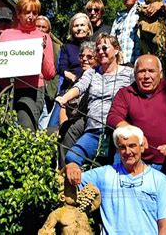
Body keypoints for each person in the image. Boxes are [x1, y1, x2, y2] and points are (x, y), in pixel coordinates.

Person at [64, 125, 166, 234]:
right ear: (118, 150)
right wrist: (71, 166)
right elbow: (69, 180)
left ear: (142, 147)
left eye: (132, 145)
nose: (128, 152)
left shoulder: (160, 181)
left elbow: (165, 225)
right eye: (122, 147)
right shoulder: (104, 174)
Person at [106, 54, 166, 186]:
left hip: (165, 164)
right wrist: (135, 134)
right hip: (131, 161)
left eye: (151, 71)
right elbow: (113, 117)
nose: (146, 76)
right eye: (141, 71)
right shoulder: (125, 93)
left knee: (161, 204)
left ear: (160, 74)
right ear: (135, 74)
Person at [56, 33, 134, 166]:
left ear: (116, 50)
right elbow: (80, 87)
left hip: (118, 133)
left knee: (117, 169)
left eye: (105, 48)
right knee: (72, 158)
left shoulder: (129, 73)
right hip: (93, 130)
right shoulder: (92, 72)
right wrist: (65, 98)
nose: (101, 52)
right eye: (98, 49)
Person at [0, 0, 55, 130]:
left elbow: (50, 74)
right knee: (2, 128)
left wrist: (41, 56)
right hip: (7, 89)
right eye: (27, 12)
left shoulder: (44, 37)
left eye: (35, 13)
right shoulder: (6, 35)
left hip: (32, 89)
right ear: (18, 14)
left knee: (27, 129)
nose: (31, 16)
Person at [111, 0, 166, 65]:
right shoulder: (118, 18)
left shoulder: (147, 8)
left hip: (141, 66)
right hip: (121, 68)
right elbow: (112, 42)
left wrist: (160, 5)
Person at [58, 41, 97, 167]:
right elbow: (65, 107)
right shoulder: (77, 79)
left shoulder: (97, 76)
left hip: (89, 121)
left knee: (70, 130)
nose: (84, 59)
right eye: (82, 56)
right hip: (72, 120)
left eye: (89, 57)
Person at [58, 13, 93, 94]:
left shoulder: (94, 45)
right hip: (70, 86)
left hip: (90, 87)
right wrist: (68, 74)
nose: (79, 28)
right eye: (76, 26)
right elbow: (62, 67)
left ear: (88, 28)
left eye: (82, 25)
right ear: (71, 29)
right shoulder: (66, 47)